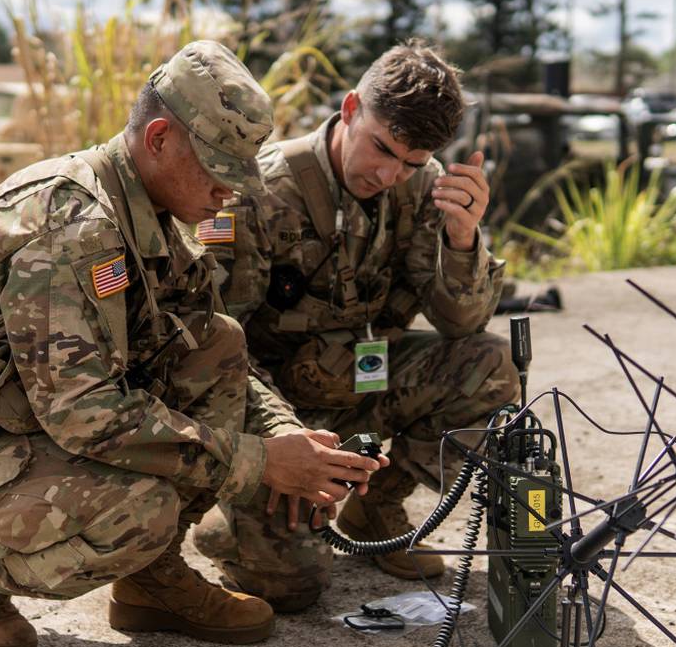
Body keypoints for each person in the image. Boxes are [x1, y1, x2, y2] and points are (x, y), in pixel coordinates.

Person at [0, 41, 384, 647]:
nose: (230, 191)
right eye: (218, 169)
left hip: (18, 412)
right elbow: (84, 414)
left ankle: (151, 579)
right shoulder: (68, 226)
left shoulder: (153, 215)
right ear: (159, 139)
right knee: (140, 512)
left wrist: (286, 435)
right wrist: (258, 462)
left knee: (215, 342)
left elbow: (214, 353)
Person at [195, 41, 518, 611]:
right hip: (279, 410)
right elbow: (219, 347)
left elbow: (461, 323)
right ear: (350, 109)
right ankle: (228, 519)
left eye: (412, 162)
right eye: (382, 148)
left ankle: (376, 507)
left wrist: (463, 239)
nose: (390, 174)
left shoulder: (424, 187)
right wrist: (284, 448)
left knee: (491, 364)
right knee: (291, 588)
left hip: (367, 383)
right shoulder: (259, 193)